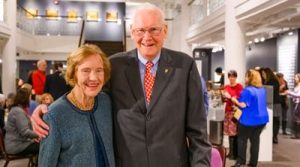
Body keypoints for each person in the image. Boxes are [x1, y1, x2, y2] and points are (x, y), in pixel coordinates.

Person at [32, 3, 211, 167]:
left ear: (165, 30)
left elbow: (198, 132)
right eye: (140, 30)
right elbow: (86, 93)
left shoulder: (184, 66)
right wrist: (46, 109)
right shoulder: (114, 65)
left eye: (154, 30)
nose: (147, 37)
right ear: (132, 32)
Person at [38, 44, 115, 167]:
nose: (94, 78)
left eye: (99, 70)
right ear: (74, 73)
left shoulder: (106, 102)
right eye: (86, 70)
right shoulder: (55, 114)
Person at [230, 69, 269, 167]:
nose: (245, 78)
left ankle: (240, 162)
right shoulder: (262, 90)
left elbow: (242, 105)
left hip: (249, 120)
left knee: (242, 140)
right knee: (255, 141)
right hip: (261, 120)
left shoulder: (247, 90)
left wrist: (233, 100)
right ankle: (253, 163)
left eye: (246, 76)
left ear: (250, 78)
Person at [4, 88, 39, 155]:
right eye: (29, 97)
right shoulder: (18, 111)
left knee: (42, 145)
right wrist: (39, 135)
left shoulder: (16, 109)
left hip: (16, 144)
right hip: (16, 146)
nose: (30, 99)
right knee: (44, 146)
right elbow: (25, 132)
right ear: (25, 98)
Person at [222, 70, 243, 160]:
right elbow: (224, 100)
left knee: (234, 132)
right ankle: (231, 152)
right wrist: (223, 96)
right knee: (229, 132)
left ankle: (235, 154)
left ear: (236, 77)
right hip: (228, 111)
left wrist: (230, 97)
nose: (231, 78)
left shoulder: (239, 87)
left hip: (235, 112)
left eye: (233, 76)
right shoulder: (226, 87)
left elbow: (240, 99)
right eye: (230, 76)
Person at [261, 67, 281, 143]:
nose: (263, 76)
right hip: (271, 104)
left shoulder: (273, 81)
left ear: (267, 73)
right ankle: (273, 136)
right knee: (274, 121)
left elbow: (269, 92)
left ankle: (274, 136)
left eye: (263, 74)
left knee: (275, 120)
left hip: (275, 103)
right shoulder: (269, 81)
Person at [284, 73, 300, 139]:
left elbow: (298, 95)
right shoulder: (297, 86)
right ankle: (296, 134)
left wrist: (289, 92)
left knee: (297, 119)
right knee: (297, 119)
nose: (294, 79)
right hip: (296, 103)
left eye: (296, 77)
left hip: (299, 104)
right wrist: (289, 94)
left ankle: (297, 134)